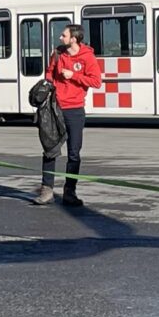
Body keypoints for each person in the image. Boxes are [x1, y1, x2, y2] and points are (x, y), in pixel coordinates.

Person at [33, 24, 102, 206]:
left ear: (73, 39)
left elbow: (96, 82)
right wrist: (47, 84)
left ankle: (69, 192)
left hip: (75, 110)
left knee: (74, 153)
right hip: (55, 108)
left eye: (63, 35)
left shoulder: (88, 57)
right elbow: (49, 72)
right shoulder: (57, 54)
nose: (60, 38)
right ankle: (46, 191)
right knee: (50, 148)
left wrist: (74, 75)